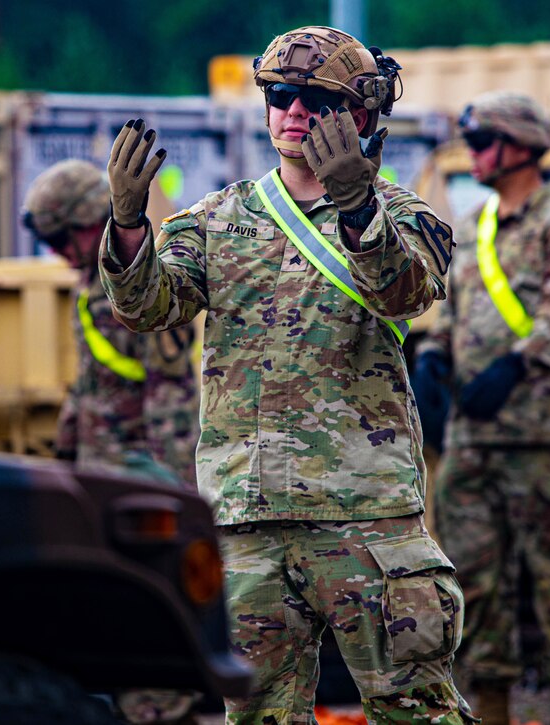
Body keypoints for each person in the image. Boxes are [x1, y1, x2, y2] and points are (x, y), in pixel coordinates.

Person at [99, 26, 475, 724]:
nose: (292, 112)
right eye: (278, 96)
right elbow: (149, 307)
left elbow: (405, 293)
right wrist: (126, 227)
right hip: (247, 516)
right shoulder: (218, 218)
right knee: (259, 714)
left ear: (359, 116)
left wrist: (356, 203)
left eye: (313, 99)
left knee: (414, 708)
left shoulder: (404, 215)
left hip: (364, 515)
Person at [413, 91, 550, 725]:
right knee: (475, 595)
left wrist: (516, 364)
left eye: (484, 140)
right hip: (475, 441)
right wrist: (434, 354)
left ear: (521, 146)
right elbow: (454, 311)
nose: (475, 153)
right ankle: (490, 710)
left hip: (547, 438)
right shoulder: (473, 226)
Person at [22, 158, 200, 488]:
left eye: (61, 240)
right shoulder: (91, 283)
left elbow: (171, 396)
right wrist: (66, 451)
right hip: (97, 468)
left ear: (90, 221)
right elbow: (91, 379)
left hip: (138, 474)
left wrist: (177, 489)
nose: (58, 252)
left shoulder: (143, 288)